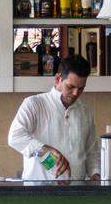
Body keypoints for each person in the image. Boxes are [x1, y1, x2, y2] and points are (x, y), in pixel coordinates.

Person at [7, 53, 99, 181]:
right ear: (58, 79)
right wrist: (45, 149)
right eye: (71, 87)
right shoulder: (34, 104)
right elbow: (15, 137)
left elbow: (91, 151)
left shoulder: (85, 112)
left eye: (81, 88)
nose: (75, 93)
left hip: (77, 192)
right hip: (39, 193)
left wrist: (96, 174)